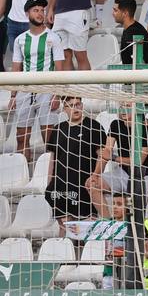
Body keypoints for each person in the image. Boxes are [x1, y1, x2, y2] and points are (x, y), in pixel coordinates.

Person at [8, 0, 63, 159]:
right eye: (35, 10)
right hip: (25, 91)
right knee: (21, 138)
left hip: (47, 91)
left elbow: (60, 69)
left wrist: (57, 94)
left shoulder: (53, 37)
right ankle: (24, 170)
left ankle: (51, 172)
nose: (40, 13)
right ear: (27, 14)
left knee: (49, 139)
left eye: (42, 10)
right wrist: (13, 95)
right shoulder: (20, 39)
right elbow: (16, 69)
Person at [44, 95, 105, 223]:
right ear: (64, 108)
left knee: (86, 227)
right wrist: (50, 183)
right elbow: (53, 159)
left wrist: (95, 176)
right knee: (64, 227)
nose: (75, 108)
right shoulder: (58, 129)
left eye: (78, 104)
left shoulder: (93, 126)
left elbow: (102, 156)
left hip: (83, 185)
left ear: (82, 105)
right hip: (61, 185)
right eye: (71, 105)